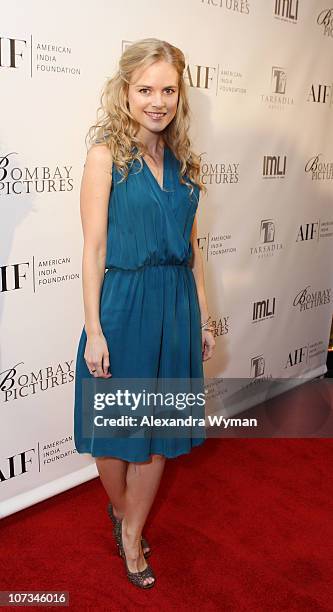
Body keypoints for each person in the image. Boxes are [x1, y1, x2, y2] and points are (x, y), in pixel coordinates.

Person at [73, 37, 216, 589]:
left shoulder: (185, 164)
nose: (158, 100)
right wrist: (93, 329)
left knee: (157, 432)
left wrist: (201, 317)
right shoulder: (104, 156)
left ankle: (132, 533)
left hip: (176, 305)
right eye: (146, 89)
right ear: (125, 91)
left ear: (180, 96)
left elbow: (194, 249)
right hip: (124, 305)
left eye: (169, 90)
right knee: (111, 430)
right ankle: (121, 509)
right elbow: (93, 250)